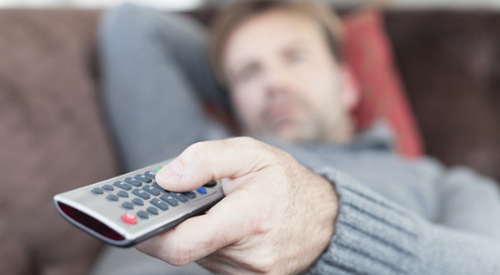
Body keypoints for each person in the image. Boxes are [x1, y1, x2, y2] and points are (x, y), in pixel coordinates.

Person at [95, 1, 500, 274]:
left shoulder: (446, 182)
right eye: (250, 72)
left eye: (295, 57)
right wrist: (233, 86)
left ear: (347, 85)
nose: (273, 82)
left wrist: (329, 226)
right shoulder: (193, 153)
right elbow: (131, 23)